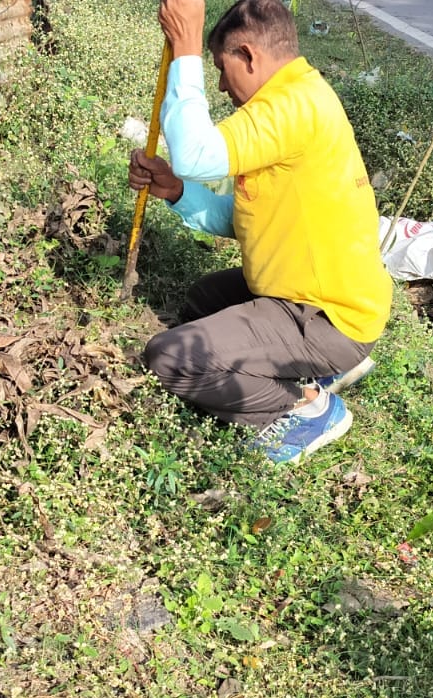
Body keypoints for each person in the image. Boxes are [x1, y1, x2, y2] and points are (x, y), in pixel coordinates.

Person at [131, 0, 392, 464]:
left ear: (248, 55)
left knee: (171, 357)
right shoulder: (297, 97)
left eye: (220, 67)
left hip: (329, 317)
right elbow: (244, 218)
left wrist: (186, 44)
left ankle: (306, 406)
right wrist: (175, 191)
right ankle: (315, 367)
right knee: (203, 300)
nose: (220, 85)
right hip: (313, 296)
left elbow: (194, 154)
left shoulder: (292, 107)